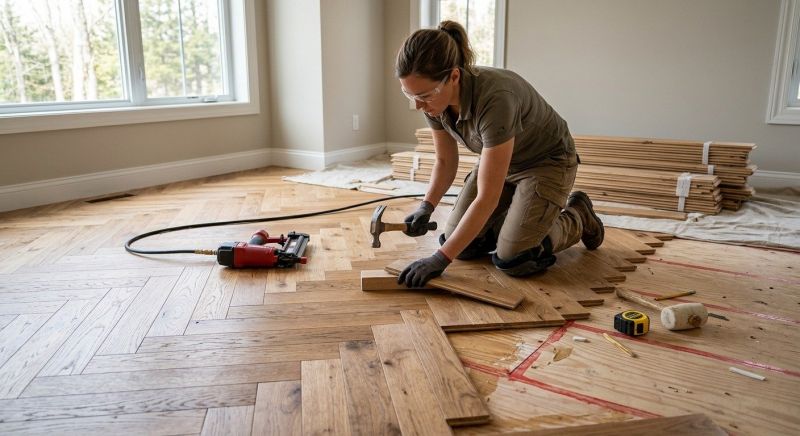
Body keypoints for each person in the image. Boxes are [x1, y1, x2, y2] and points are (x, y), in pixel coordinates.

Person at [395, 20, 604, 288]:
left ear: (455, 77)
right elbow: (445, 161)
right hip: (502, 160)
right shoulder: (434, 100)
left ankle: (578, 214)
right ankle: (517, 221)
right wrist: (427, 206)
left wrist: (439, 260)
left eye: (423, 95)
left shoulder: (496, 99)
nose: (416, 105)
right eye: (408, 94)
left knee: (515, 258)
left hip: (546, 161)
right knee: (462, 246)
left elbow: (487, 198)